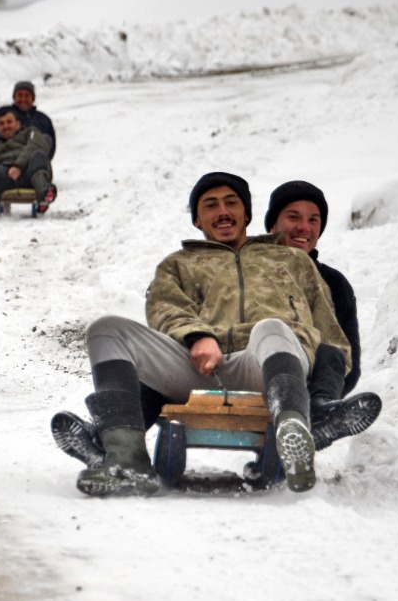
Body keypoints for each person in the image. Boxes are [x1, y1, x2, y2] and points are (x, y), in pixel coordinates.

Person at [53, 172, 352, 496]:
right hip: (198, 369)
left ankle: (295, 430)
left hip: (265, 369)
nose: (222, 211)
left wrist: (321, 393)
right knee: (106, 329)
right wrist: (198, 336)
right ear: (197, 219)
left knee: (272, 327)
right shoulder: (178, 265)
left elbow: (330, 336)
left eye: (231, 203)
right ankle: (126, 461)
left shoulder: (293, 261)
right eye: (211, 205)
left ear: (247, 214)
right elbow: (165, 308)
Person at [263, 180, 381, 448]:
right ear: (272, 225)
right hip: (254, 370)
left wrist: (324, 388)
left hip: (309, 384)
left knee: (332, 351)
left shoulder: (333, 283)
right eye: (293, 217)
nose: (304, 227)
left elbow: (349, 363)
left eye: (313, 220)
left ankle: (321, 413)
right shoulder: (248, 271)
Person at [0, 108, 56, 218]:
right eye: (1, 124)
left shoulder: (30, 132)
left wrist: (18, 166)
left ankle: (44, 196)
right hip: (6, 177)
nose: (5, 126)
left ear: (18, 124)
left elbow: (36, 145)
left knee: (38, 155)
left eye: (9, 122)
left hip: (30, 173)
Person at [0, 80, 56, 157]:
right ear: (14, 97)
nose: (23, 99)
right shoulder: (3, 112)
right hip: (4, 157)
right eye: (20, 95)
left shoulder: (43, 119)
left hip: (33, 160)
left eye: (27, 95)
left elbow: (51, 146)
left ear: (33, 98)